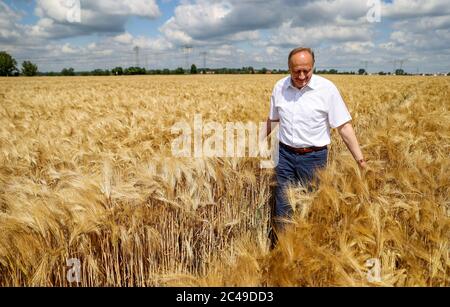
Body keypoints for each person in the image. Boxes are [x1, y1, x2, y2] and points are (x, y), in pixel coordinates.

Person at [266, 47, 367, 232]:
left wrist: (360, 160)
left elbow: (344, 127)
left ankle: (309, 251)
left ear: (313, 67)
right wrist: (256, 142)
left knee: (312, 208)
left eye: (307, 70)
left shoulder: (327, 89)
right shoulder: (279, 87)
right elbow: (273, 119)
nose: (303, 75)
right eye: (297, 71)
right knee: (283, 209)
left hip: (313, 159)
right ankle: (284, 251)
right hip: (284, 156)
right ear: (289, 68)